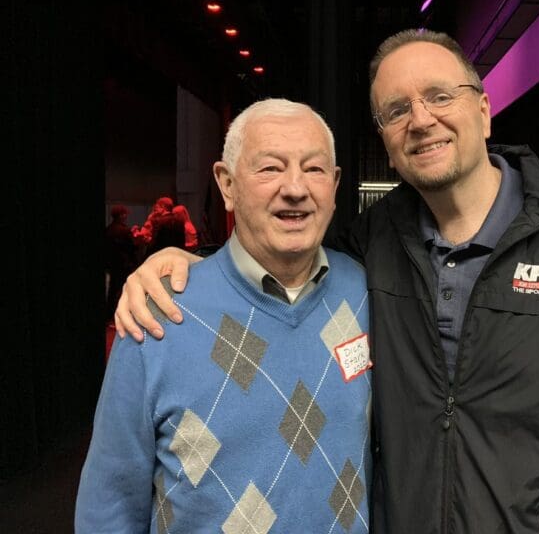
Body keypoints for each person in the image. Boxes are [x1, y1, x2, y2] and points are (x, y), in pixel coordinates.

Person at [115, 30, 539, 533]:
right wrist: (196, 266)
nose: (421, 120)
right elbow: (281, 257)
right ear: (386, 141)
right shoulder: (370, 245)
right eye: (396, 110)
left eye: (439, 96)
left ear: (483, 111)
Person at [77, 99, 372, 533]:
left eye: (314, 169)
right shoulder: (158, 313)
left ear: (335, 184)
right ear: (227, 183)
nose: (295, 187)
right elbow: (109, 506)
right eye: (270, 168)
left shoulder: (366, 293)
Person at [104, 204, 137, 321]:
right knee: (126, 291)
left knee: (112, 291)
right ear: (122, 215)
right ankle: (124, 315)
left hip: (112, 264)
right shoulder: (125, 230)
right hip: (125, 265)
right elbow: (132, 248)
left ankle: (109, 316)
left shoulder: (108, 229)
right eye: (125, 214)